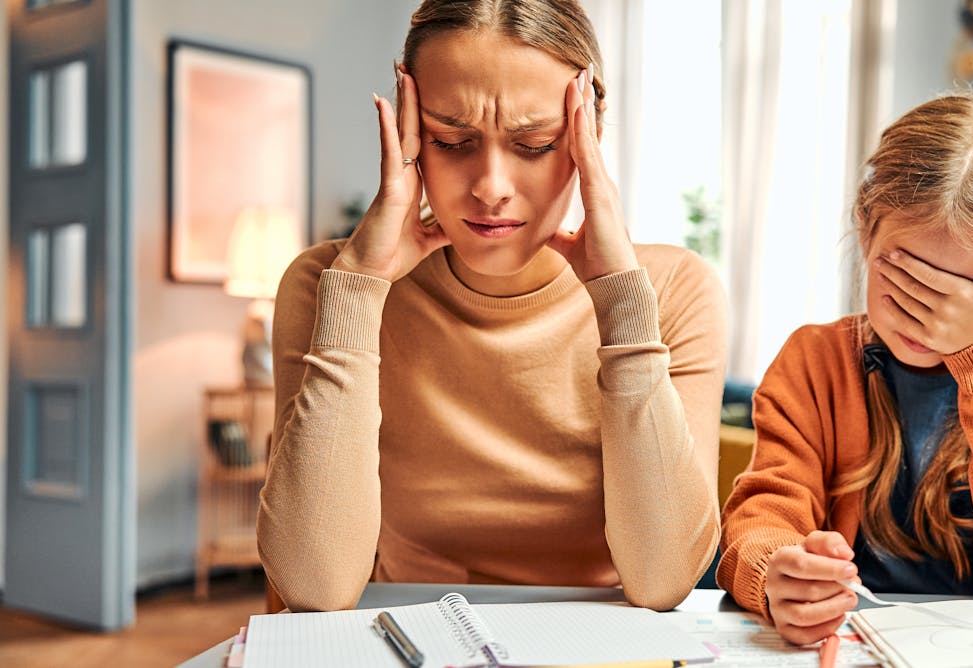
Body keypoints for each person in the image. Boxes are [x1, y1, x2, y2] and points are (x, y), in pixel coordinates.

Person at [258, 0, 727, 613]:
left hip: (599, 647)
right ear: (409, 131)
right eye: (451, 140)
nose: (490, 186)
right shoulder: (328, 283)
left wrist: (620, 302)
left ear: (590, 137)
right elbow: (313, 587)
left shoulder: (671, 289)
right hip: (411, 631)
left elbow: (665, 579)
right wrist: (358, 293)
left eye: (534, 143)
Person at [716, 91, 973, 644]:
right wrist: (777, 572)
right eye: (903, 280)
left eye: (961, 292)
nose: (926, 319)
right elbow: (762, 517)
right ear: (865, 227)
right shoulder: (815, 361)